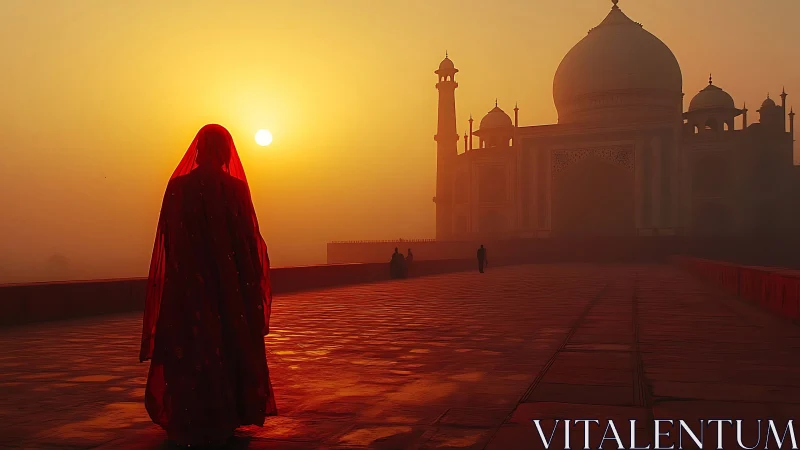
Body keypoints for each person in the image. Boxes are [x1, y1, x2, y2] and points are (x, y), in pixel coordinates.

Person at [139, 124, 277, 447]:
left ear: (198, 149)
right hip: (225, 290)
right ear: (227, 151)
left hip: (185, 287)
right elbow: (246, 243)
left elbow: (168, 241)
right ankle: (223, 415)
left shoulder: (177, 188)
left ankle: (189, 415)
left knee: (188, 349)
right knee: (224, 347)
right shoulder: (235, 189)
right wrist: (249, 289)